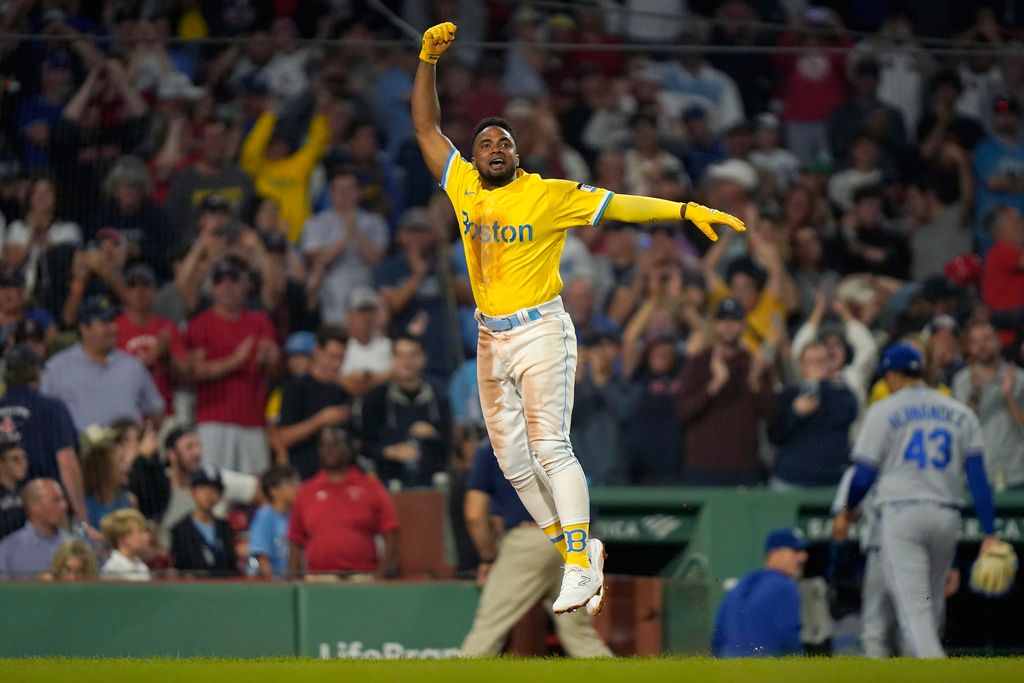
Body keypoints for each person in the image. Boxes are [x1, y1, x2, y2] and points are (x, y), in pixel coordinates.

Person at [412, 21, 745, 614]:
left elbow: (621, 206)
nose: (492, 148)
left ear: (518, 154)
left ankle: (573, 564)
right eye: (484, 141)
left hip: (541, 329)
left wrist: (685, 208)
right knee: (513, 466)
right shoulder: (464, 186)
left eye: (503, 143)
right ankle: (582, 551)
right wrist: (428, 61)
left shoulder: (547, 193)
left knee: (549, 448)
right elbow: (425, 126)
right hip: (491, 337)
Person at [836, 343, 1000, 658]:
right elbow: (978, 479)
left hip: (902, 515)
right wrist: (989, 531)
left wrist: (847, 509)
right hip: (947, 517)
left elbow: (863, 475)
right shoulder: (960, 413)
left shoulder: (884, 410)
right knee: (930, 607)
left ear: (892, 375)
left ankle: (934, 671)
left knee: (915, 613)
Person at [460, 441, 612, 657]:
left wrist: (488, 557)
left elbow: (474, 515)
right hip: (575, 540)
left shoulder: (494, 445)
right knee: (581, 637)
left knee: (488, 630)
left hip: (530, 540)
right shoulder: (560, 440)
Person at [186, 257, 278, 474]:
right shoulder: (201, 324)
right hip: (213, 419)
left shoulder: (260, 321)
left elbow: (273, 370)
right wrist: (235, 361)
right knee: (213, 486)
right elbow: (195, 373)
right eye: (220, 281)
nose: (227, 287)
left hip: (252, 418)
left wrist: (271, 358)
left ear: (244, 285)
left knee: (256, 488)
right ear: (213, 287)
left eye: (233, 280)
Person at [677, 298, 776, 486]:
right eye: (723, 320)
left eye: (734, 320)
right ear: (716, 325)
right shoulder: (698, 363)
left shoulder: (755, 363)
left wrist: (755, 383)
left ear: (743, 324)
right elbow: (683, 413)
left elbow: (772, 415)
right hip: (703, 467)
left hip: (744, 468)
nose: (729, 326)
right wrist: (714, 386)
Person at [288, 426, 398, 578]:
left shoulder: (371, 487)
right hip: (318, 580)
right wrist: (294, 579)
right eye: (324, 445)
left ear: (349, 446)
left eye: (335, 444)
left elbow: (390, 533)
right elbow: (295, 539)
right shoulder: (306, 491)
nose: (329, 450)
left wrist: (380, 576)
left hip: (362, 578)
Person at [42, 296, 165, 432]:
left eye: (112, 321)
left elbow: (156, 410)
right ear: (84, 328)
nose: (112, 328)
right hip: (81, 450)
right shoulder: (57, 368)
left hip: (127, 449)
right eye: (104, 322)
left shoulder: (132, 365)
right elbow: (43, 414)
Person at [0, 347, 86, 528]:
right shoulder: (50, 408)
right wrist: (80, 516)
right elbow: (67, 461)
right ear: (36, 373)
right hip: (47, 510)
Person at [354, 335, 451, 489]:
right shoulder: (374, 400)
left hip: (431, 481)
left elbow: (451, 444)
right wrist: (389, 451)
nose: (407, 362)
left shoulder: (439, 398)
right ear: (392, 359)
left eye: (413, 355)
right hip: (388, 480)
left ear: (423, 358)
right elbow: (362, 446)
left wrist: (433, 436)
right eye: (401, 355)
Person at [301, 167, 388, 326]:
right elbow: (317, 259)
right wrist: (345, 237)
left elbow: (376, 258)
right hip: (331, 299)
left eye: (349, 189)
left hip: (366, 293)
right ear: (331, 193)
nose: (344, 193)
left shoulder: (374, 222)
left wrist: (356, 233)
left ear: (358, 192)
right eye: (339, 189)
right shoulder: (316, 222)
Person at [769, 341, 859, 488]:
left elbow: (848, 415)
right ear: (802, 365)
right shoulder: (788, 395)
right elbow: (775, 436)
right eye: (811, 361)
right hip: (791, 479)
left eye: (821, 361)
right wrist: (795, 413)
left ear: (829, 364)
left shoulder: (843, 394)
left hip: (832, 479)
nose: (816, 366)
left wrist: (820, 385)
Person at [711, 528, 808, 658]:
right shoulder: (785, 586)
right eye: (795, 551)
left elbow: (717, 641)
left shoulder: (738, 587)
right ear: (774, 553)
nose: (803, 557)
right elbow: (788, 638)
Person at [952, 322, 1024, 490]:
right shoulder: (962, 381)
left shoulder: (1019, 379)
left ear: (999, 342)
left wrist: (1009, 398)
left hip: (1016, 475)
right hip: (976, 476)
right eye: (975, 341)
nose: (982, 346)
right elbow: (959, 431)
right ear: (969, 347)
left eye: (987, 339)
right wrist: (975, 394)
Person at [276, 325, 351, 480]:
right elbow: (281, 438)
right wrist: (320, 420)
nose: (336, 363)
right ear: (317, 351)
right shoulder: (295, 388)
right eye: (331, 356)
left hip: (337, 479)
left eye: (341, 358)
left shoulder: (344, 392)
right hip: (304, 476)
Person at [115, 263, 188, 417]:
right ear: (125, 293)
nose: (139, 292)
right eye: (133, 286)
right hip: (126, 413)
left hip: (163, 412)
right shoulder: (114, 328)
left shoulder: (167, 328)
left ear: (154, 292)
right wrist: (153, 354)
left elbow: (183, 376)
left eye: (146, 285)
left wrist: (168, 358)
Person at [170, 466, 239, 577]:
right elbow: (180, 569)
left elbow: (232, 566)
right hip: (192, 590)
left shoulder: (225, 527)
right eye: (202, 488)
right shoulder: (180, 529)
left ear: (220, 495)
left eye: (214, 489)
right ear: (192, 492)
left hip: (224, 590)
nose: (208, 494)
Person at [0, 478, 70, 579]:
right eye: (56, 500)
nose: (64, 506)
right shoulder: (7, 551)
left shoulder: (74, 544)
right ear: (34, 506)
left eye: (63, 499)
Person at [249, 465, 299, 579]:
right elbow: (262, 558)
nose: (297, 487)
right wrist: (274, 587)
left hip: (292, 580)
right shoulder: (265, 515)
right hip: (274, 584)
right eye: (290, 483)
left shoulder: (296, 515)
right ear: (273, 490)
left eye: (297, 482)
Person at [99, 508, 151, 581]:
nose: (146, 537)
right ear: (122, 538)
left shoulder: (141, 566)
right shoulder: (113, 570)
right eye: (140, 532)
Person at [0, 439, 28, 540]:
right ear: (1, 464)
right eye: (15, 459)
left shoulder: (28, 490)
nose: (23, 463)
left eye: (24, 458)